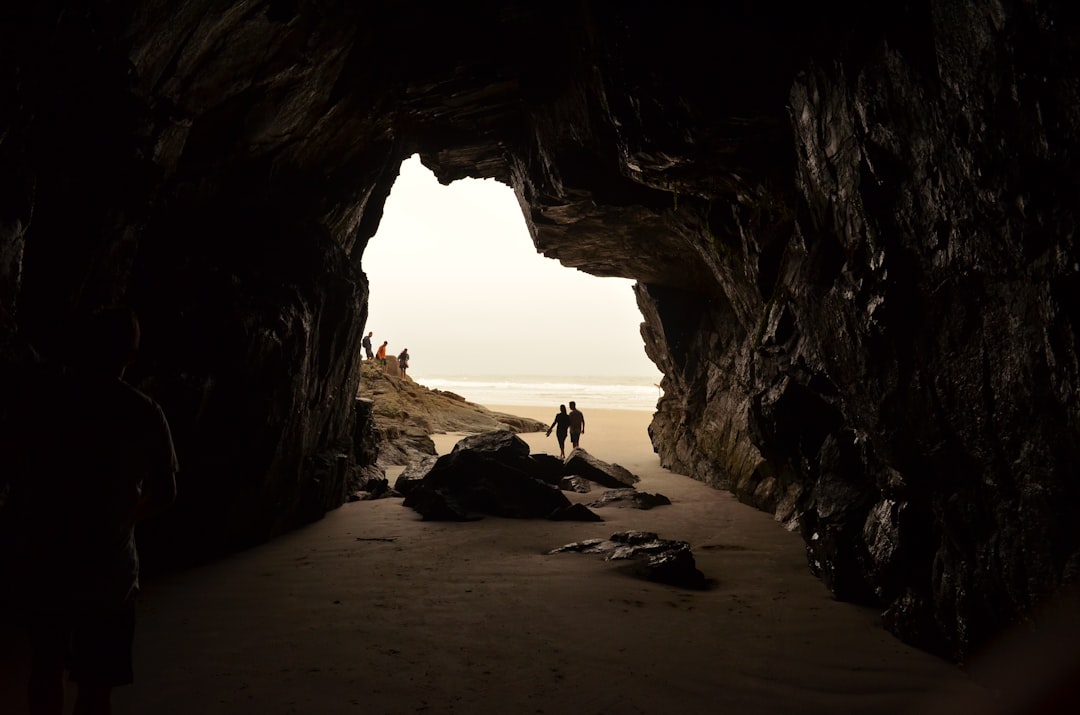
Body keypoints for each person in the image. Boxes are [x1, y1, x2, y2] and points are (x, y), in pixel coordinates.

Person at [22, 306, 179, 715]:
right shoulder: (144, 412)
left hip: (48, 562)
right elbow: (166, 493)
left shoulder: (48, 403)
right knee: (96, 688)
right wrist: (124, 519)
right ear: (130, 355)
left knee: (44, 673)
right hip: (110, 573)